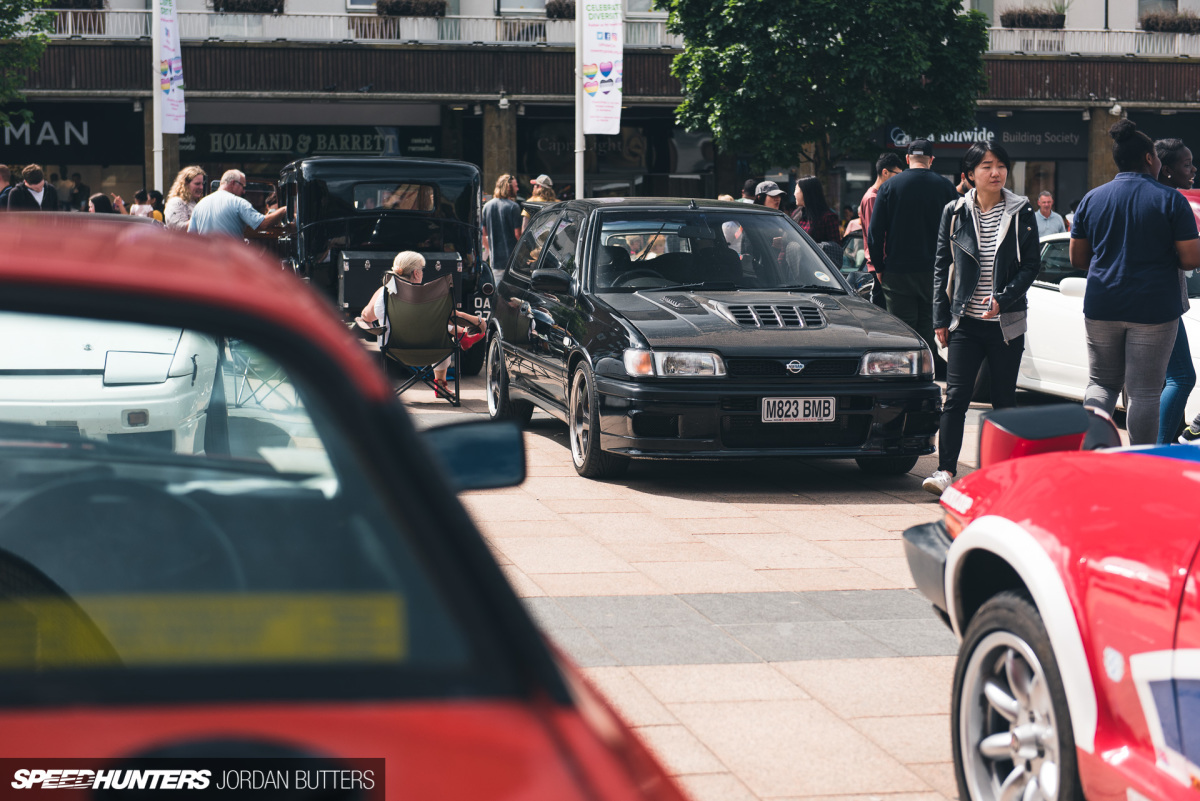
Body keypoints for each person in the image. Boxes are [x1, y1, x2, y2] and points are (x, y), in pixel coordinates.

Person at [1070, 119, 1200, 446]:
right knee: (1144, 391)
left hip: (1101, 304)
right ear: (1148, 159)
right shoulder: (1171, 201)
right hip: (1153, 309)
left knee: (1100, 384)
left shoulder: (1092, 199)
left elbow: (1078, 259)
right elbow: (1190, 259)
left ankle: (1091, 451)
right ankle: (1141, 461)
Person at [924, 142, 1040, 496]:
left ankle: (1007, 474)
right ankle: (945, 471)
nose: (996, 172)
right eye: (987, 166)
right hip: (965, 322)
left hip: (1005, 324)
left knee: (1004, 398)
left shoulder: (1021, 210)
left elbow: (1031, 266)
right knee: (956, 398)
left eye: (1002, 165)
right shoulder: (955, 211)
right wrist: (940, 317)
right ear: (969, 174)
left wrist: (1003, 299)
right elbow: (941, 266)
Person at [866, 139, 959, 364]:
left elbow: (875, 232)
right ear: (931, 160)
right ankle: (925, 379)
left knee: (901, 332)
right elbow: (960, 230)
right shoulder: (946, 187)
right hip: (934, 272)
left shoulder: (889, 186)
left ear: (907, 159)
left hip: (897, 272)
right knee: (928, 331)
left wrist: (879, 267)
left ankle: (902, 381)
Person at [359, 251, 487, 400]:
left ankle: (461, 335)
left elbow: (365, 316)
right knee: (441, 329)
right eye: (422, 270)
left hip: (394, 349)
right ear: (416, 273)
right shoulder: (431, 297)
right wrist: (479, 321)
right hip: (434, 349)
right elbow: (454, 316)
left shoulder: (383, 293)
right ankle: (441, 383)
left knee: (433, 326)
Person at [1154, 138, 1200, 443]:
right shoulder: (1171, 202)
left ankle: (1166, 443)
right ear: (1167, 170)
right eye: (1187, 164)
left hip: (1132, 301)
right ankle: (1159, 448)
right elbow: (1188, 260)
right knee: (1182, 377)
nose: (1193, 169)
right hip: (1161, 303)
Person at [859, 152, 905, 310]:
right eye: (897, 174)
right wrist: (880, 267)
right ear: (885, 172)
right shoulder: (873, 198)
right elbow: (876, 236)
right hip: (879, 267)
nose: (899, 179)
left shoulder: (880, 196)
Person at [188, 169, 286, 238]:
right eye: (243, 186)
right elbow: (263, 224)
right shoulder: (238, 203)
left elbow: (191, 238)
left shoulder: (200, 205)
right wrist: (284, 210)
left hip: (206, 262)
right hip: (230, 261)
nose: (244, 191)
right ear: (233, 183)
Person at [482, 173, 522, 271]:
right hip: (512, 262)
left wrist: (490, 250)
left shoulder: (487, 206)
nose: (517, 189)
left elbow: (483, 233)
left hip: (494, 262)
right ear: (508, 187)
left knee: (497, 285)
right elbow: (518, 235)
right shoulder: (514, 207)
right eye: (515, 186)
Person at [792, 176, 841, 243]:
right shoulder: (796, 213)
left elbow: (835, 246)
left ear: (805, 192)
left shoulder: (828, 217)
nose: (794, 194)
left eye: (796, 190)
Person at [164, 166, 206, 232]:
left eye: (202, 184)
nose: (201, 187)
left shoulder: (195, 202)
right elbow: (177, 227)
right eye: (197, 184)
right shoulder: (176, 202)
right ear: (185, 183)